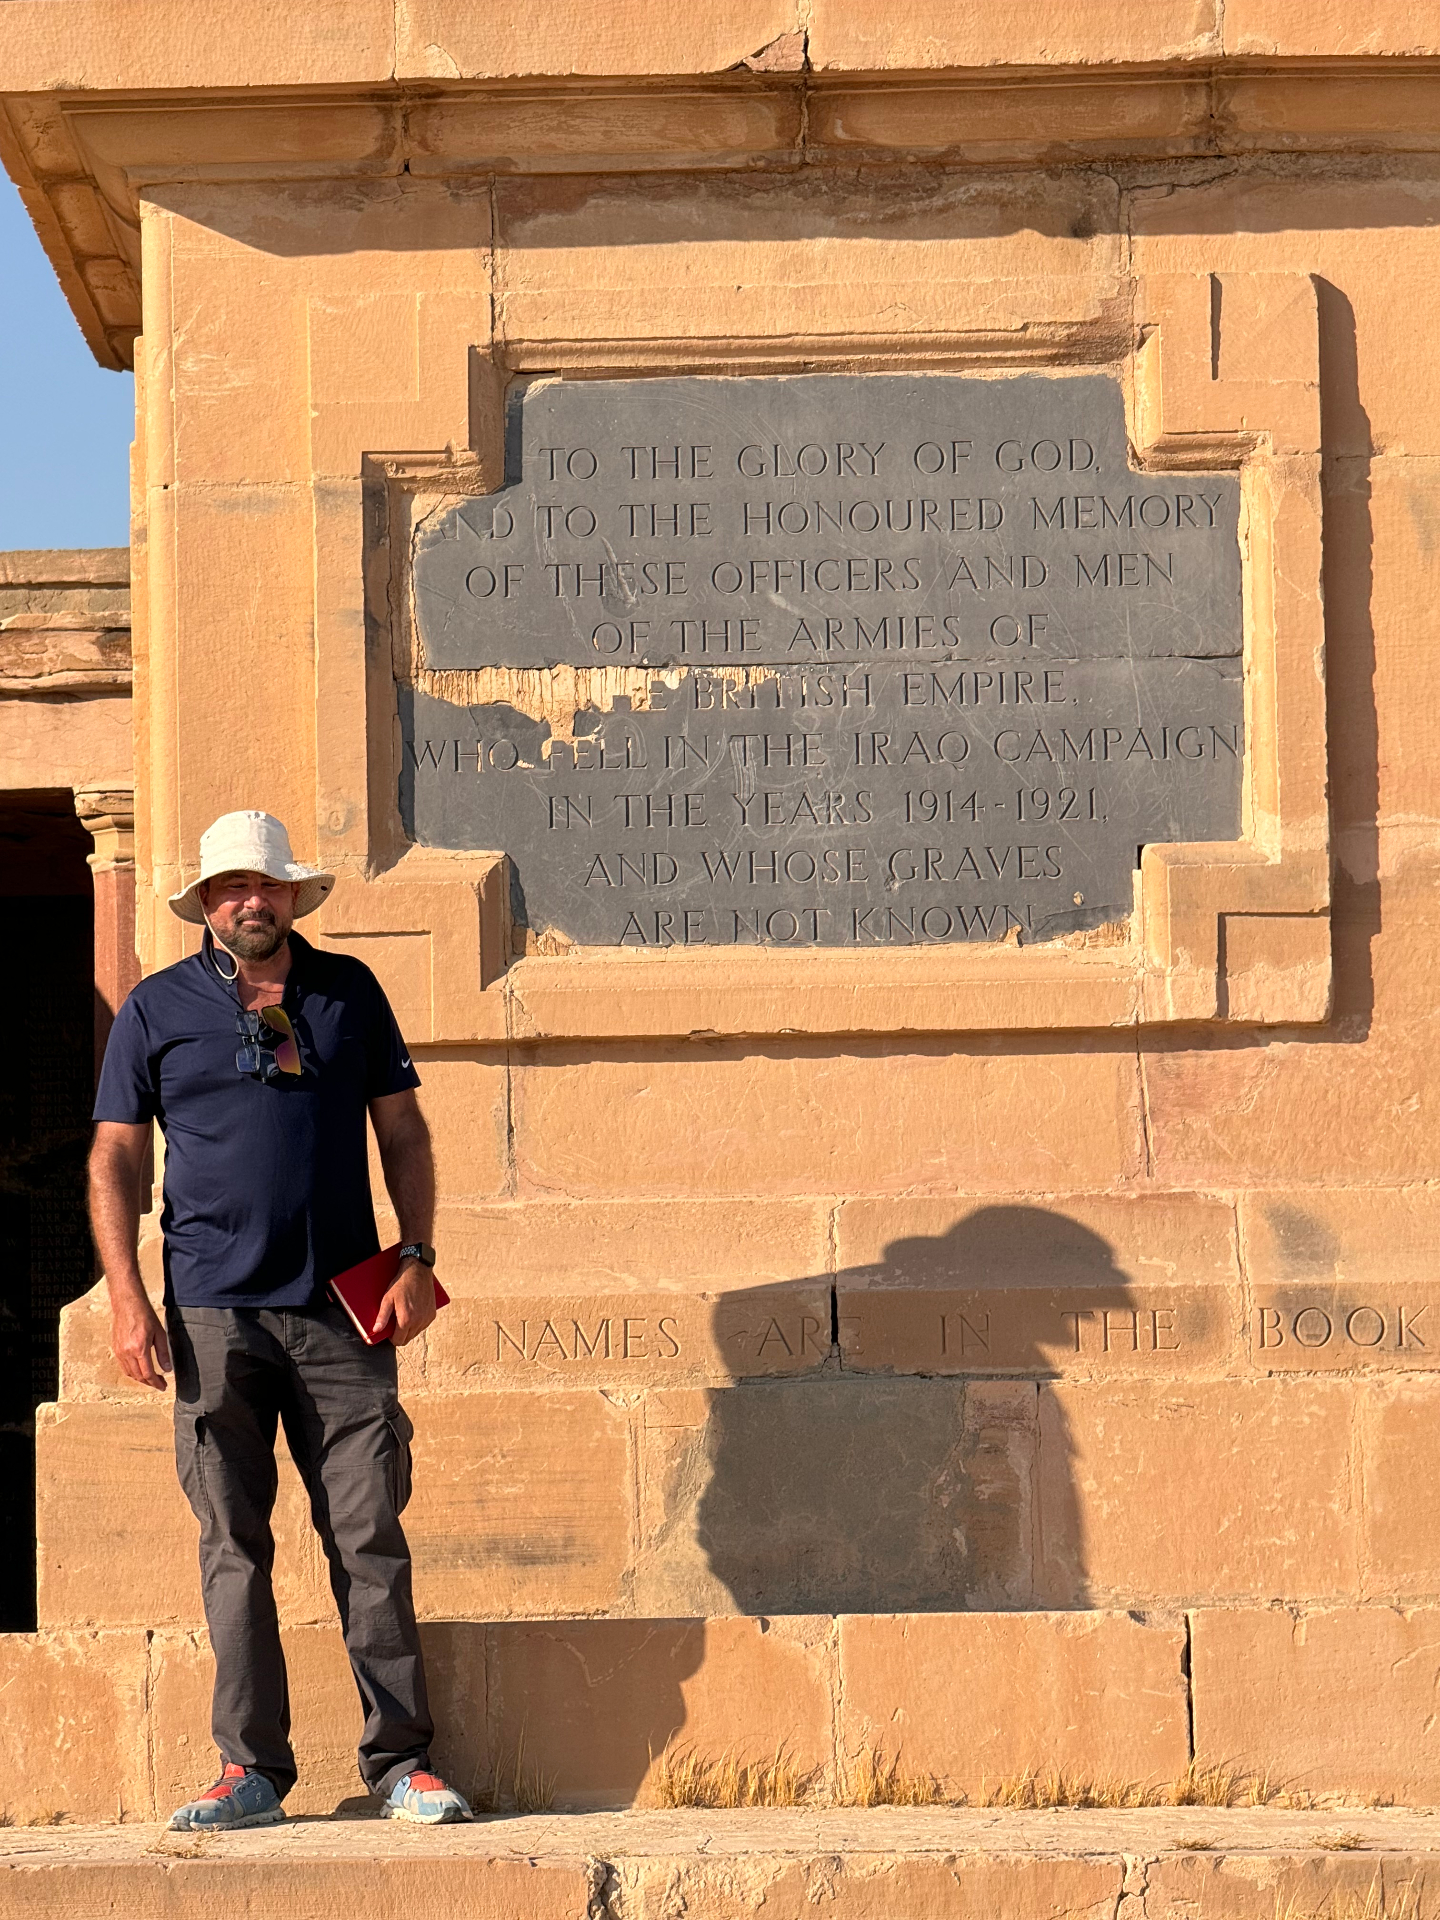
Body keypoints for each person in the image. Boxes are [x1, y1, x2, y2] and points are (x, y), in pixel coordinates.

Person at [88, 810, 470, 1830]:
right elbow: (117, 1156)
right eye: (228, 888)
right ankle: (249, 1771)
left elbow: (405, 1132)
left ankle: (401, 1766)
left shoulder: (348, 993)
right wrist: (127, 1296)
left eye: (265, 885)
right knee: (232, 1544)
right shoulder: (156, 1009)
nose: (248, 901)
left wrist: (418, 1258)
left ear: (294, 895)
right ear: (206, 903)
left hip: (346, 1313)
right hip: (213, 1313)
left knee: (370, 1537)